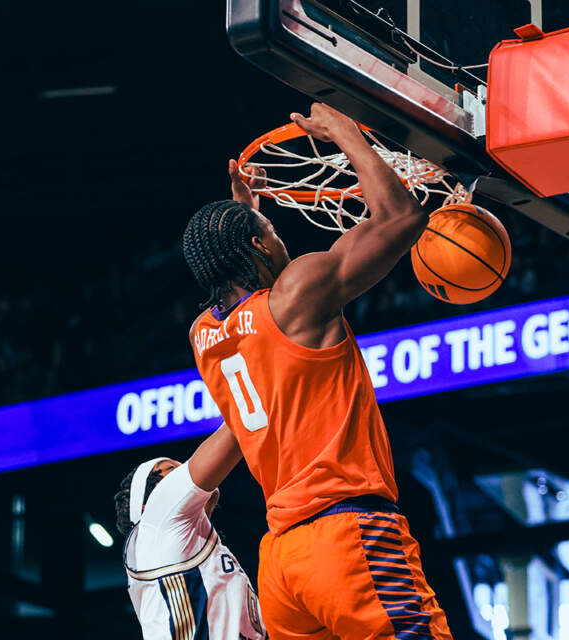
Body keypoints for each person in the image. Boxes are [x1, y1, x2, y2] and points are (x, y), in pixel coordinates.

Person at [183, 103, 452, 640]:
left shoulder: (203, 337)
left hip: (283, 563)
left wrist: (247, 212)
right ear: (259, 246)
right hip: (345, 533)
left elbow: (260, 310)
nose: (283, 240)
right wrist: (345, 133)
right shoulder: (297, 294)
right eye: (271, 232)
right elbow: (399, 219)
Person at [114, 425, 266, 640]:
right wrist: (250, 398)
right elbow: (236, 430)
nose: (185, 469)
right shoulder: (155, 523)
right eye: (171, 470)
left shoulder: (185, 546)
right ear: (147, 503)